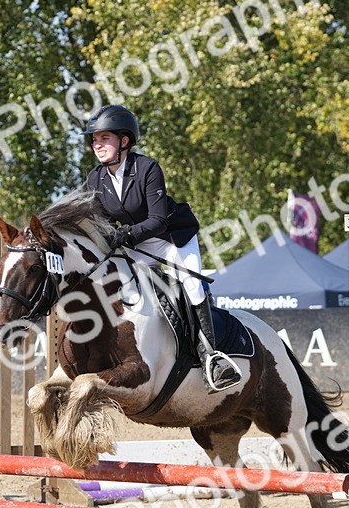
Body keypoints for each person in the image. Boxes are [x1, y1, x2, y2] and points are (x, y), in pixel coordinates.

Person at [82, 104, 241, 392]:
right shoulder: (95, 178)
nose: (97, 145)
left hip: (171, 238)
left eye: (104, 138)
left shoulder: (147, 168)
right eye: (94, 139)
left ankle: (212, 357)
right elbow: (98, 221)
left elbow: (156, 220)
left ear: (124, 141)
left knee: (191, 284)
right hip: (135, 244)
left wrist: (126, 233)